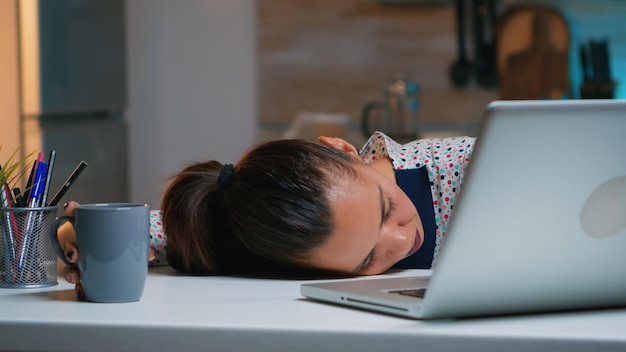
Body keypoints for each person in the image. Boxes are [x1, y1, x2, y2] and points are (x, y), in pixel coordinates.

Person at [62, 131, 474, 286]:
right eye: (367, 259)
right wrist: (77, 235)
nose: (403, 241)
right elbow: (185, 230)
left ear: (347, 151)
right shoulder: (271, 242)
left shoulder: (467, 165)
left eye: (386, 209)